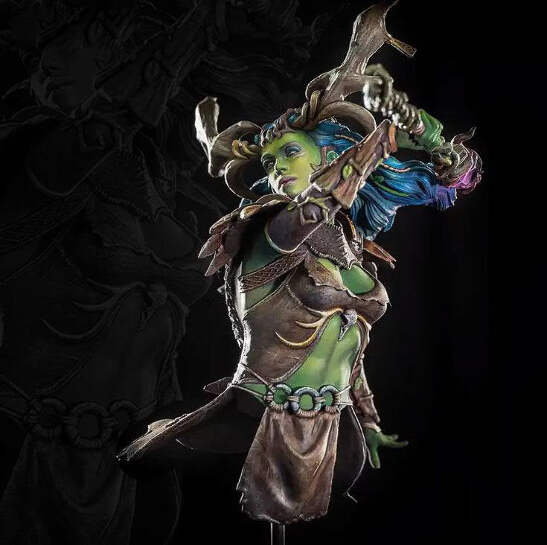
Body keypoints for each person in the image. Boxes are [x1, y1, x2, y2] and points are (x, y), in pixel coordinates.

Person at [118, 2, 482, 527]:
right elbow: (319, 206)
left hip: (333, 419)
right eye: (267, 163)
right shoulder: (273, 227)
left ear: (325, 154)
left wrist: (437, 145)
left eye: (288, 153)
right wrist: (380, 141)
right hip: (260, 409)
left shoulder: (350, 241)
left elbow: (350, 337)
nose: (274, 170)